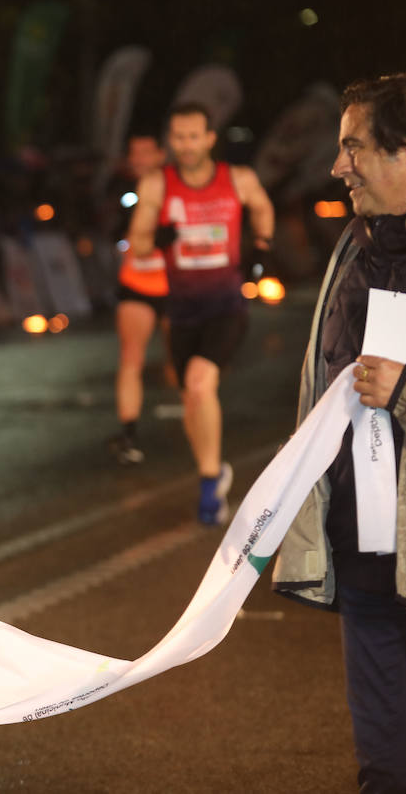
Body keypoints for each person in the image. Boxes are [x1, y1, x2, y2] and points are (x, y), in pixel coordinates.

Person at [273, 72, 406, 792]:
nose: (337, 166)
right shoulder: (355, 247)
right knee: (385, 770)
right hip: (365, 546)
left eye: (354, 147)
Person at [126, 102, 274, 523]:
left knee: (199, 381)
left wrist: (262, 245)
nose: (186, 145)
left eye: (194, 136)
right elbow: (137, 245)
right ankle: (214, 469)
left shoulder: (237, 179)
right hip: (182, 311)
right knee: (192, 399)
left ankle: (209, 485)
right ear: (171, 140)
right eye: (179, 137)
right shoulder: (158, 184)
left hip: (226, 305)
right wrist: (158, 237)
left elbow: (262, 207)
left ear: (210, 138)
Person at [107, 133, 170, 464]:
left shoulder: (178, 187)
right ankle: (128, 433)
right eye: (134, 153)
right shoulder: (123, 192)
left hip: (176, 287)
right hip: (137, 284)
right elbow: (113, 231)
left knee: (185, 364)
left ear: (160, 154)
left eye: (146, 152)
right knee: (131, 358)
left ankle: (197, 424)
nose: (139, 158)